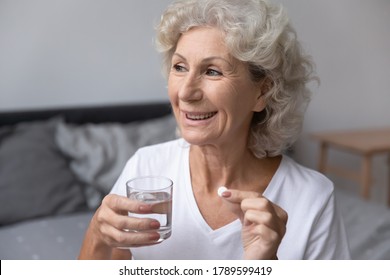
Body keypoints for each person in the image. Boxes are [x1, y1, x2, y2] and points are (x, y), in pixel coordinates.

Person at [78, 0, 350, 260]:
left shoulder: (312, 198)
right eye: (180, 67)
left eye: (212, 72)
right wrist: (97, 234)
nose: (186, 92)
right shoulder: (145, 166)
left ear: (262, 92)